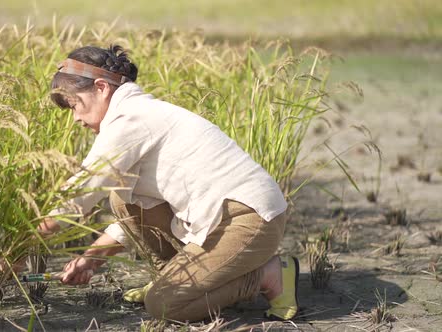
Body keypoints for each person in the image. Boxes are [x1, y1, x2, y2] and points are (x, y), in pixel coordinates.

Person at [38, 44, 299, 322]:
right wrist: (91, 258)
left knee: (164, 306)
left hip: (249, 218)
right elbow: (133, 215)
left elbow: (78, 196)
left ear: (101, 88)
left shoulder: (129, 118)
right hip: (218, 217)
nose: (76, 117)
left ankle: (267, 274)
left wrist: (19, 246)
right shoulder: (133, 114)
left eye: (75, 104)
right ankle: (179, 280)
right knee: (122, 199)